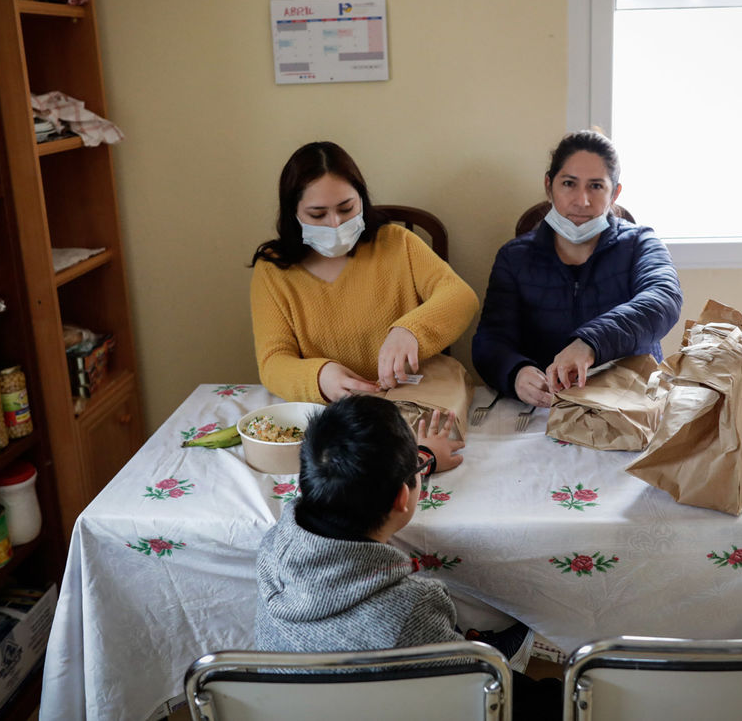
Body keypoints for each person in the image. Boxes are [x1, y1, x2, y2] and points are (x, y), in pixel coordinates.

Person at [255, 396, 559, 719]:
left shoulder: (272, 548)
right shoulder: (409, 611)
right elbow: (491, 692)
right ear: (402, 496)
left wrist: (421, 459)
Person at [250, 142, 479, 403]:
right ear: (294, 214)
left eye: (346, 209)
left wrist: (410, 330)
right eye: (317, 214)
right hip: (330, 410)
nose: (335, 223)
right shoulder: (272, 270)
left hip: (410, 399)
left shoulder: (397, 243)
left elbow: (461, 296)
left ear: (362, 199)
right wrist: (319, 377)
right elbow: (273, 362)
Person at [472, 130, 683, 407]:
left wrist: (590, 343)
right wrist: (516, 373)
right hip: (545, 408)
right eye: (569, 184)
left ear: (615, 193)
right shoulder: (514, 257)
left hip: (630, 404)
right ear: (549, 186)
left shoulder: (641, 243)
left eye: (596, 186)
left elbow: (664, 299)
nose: (582, 201)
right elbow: (490, 340)